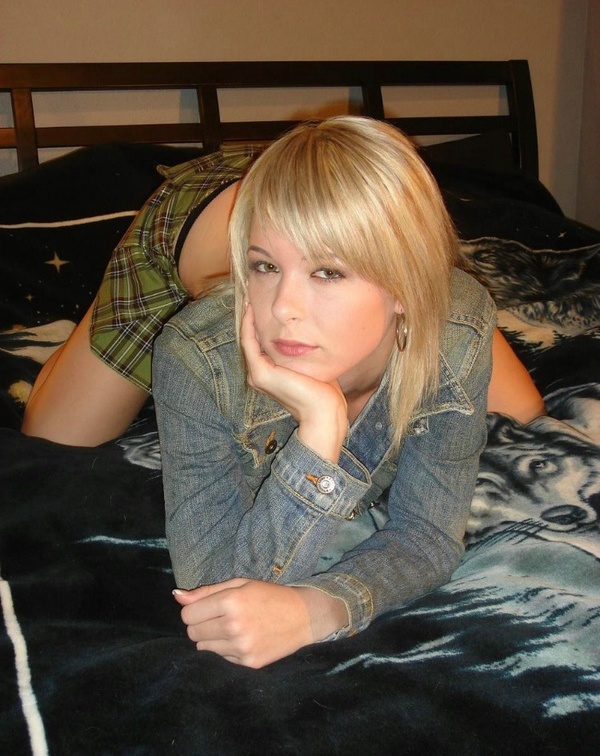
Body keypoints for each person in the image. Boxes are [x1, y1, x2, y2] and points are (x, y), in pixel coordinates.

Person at [150, 115, 517, 669]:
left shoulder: (459, 329)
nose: (282, 308)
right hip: (168, 230)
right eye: (265, 266)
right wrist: (320, 434)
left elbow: (428, 534)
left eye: (327, 272)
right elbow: (218, 594)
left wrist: (317, 609)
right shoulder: (195, 359)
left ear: (406, 283)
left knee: (528, 410)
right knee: (54, 425)